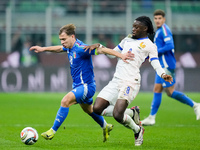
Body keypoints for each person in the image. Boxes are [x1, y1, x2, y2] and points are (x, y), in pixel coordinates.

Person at [29, 24, 134, 142]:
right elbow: (59, 49)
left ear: (72, 37)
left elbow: (102, 50)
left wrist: (121, 55)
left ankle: (52, 131)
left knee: (65, 101)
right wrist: (43, 49)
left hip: (86, 86)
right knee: (89, 110)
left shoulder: (81, 48)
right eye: (61, 40)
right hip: (79, 86)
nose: (62, 42)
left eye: (64, 39)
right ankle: (106, 126)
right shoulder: (69, 47)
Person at [84, 16, 173, 146]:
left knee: (117, 115)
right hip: (116, 80)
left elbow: (155, 63)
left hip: (131, 81)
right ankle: (132, 113)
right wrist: (100, 47)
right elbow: (112, 53)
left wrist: (163, 74)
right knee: (96, 109)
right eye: (133, 26)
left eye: (137, 27)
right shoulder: (127, 39)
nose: (134, 29)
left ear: (145, 28)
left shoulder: (150, 45)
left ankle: (137, 130)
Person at [141, 9, 200, 126]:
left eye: (160, 18)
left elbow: (170, 45)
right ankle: (195, 105)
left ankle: (152, 117)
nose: (158, 20)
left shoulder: (164, 30)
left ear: (164, 19)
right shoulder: (159, 31)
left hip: (166, 65)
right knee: (164, 91)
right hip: (164, 65)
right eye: (156, 18)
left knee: (164, 90)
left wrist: (155, 51)